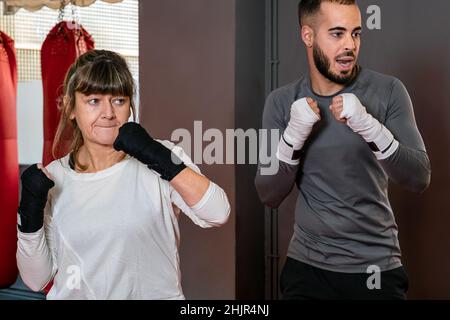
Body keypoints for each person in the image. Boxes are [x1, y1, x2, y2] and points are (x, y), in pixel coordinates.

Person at [16, 50, 230, 300]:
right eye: (93, 100)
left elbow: (218, 213)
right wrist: (29, 215)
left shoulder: (161, 157)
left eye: (118, 100)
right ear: (71, 108)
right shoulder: (53, 177)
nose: (108, 113)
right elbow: (36, 279)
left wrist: (156, 155)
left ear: (130, 105)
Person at [255, 0, 431, 300]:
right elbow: (268, 194)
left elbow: (419, 177)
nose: (350, 44)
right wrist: (294, 136)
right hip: (307, 267)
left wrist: (369, 126)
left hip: (376, 267)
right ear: (308, 35)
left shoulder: (388, 91)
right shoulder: (282, 102)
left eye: (356, 33)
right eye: (337, 34)